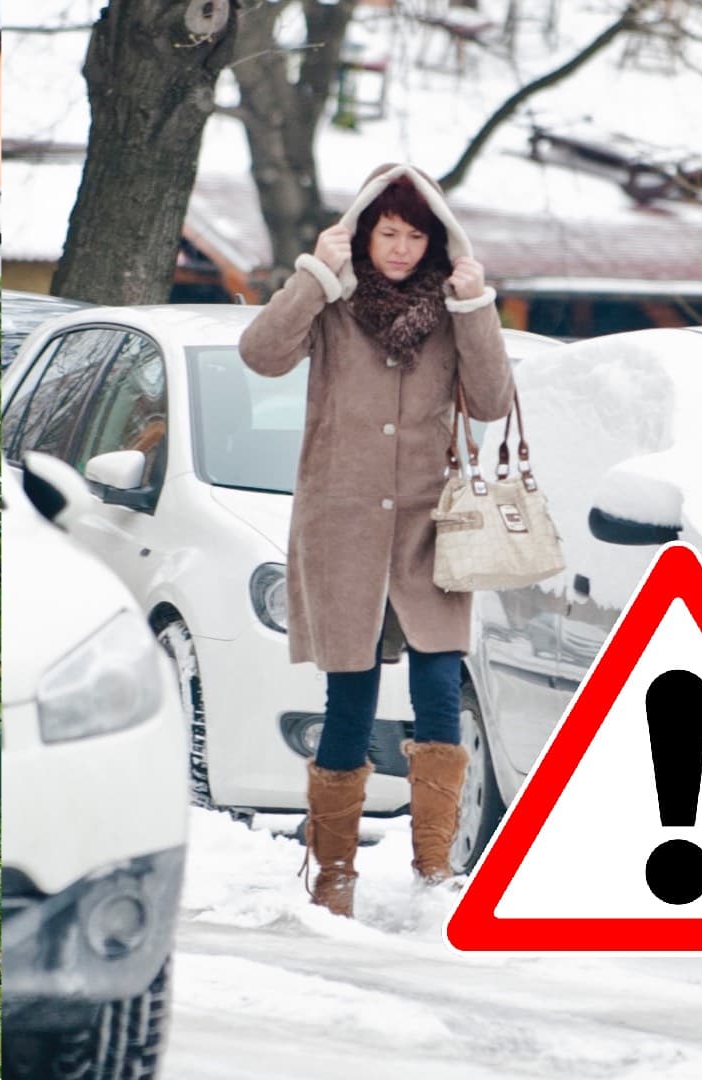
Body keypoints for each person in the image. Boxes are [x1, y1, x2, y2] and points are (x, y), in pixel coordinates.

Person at [238, 163, 513, 918]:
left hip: (429, 527)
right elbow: (260, 353)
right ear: (364, 234)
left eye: (414, 235)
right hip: (345, 523)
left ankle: (434, 870)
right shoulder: (335, 302)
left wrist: (476, 304)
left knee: (437, 691)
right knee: (350, 695)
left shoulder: (451, 310)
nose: (399, 248)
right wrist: (313, 278)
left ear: (435, 242)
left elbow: (491, 400)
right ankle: (333, 873)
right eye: (387, 233)